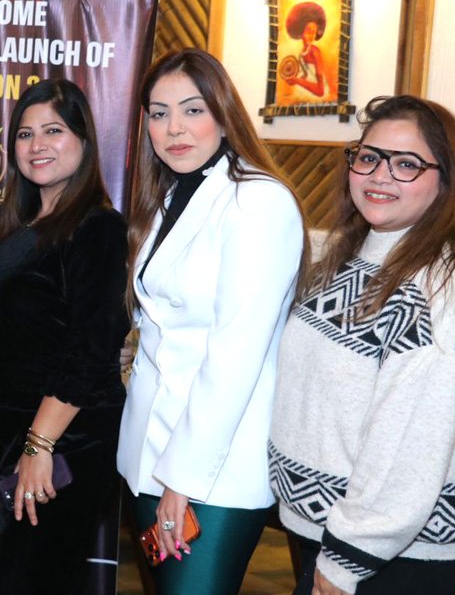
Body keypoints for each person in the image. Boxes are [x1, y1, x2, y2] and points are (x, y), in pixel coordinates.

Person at [269, 95, 455, 595]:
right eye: (369, 157)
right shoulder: (353, 255)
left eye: (406, 164)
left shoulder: (441, 290)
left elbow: (409, 448)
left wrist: (346, 561)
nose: (380, 176)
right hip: (330, 531)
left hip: (391, 557)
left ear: (445, 180)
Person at [115, 48, 305, 595]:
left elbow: (235, 356)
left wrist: (183, 479)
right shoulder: (171, 195)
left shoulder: (257, 202)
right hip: (148, 453)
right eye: (158, 113)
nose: (174, 128)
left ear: (224, 114)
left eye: (192, 110)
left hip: (211, 470)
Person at [0, 78, 129, 594]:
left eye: (53, 131)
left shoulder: (97, 227)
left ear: (84, 140)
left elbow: (91, 350)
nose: (37, 145)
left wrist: (39, 446)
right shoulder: (12, 224)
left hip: (60, 436)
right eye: (25, 133)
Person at [283, 2, 327, 98]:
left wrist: (297, 81)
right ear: (300, 30)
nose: (311, 36)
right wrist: (292, 78)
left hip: (315, 96)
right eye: (308, 31)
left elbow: (320, 91)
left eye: (314, 32)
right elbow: (305, 75)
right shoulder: (301, 52)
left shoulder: (315, 52)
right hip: (304, 94)